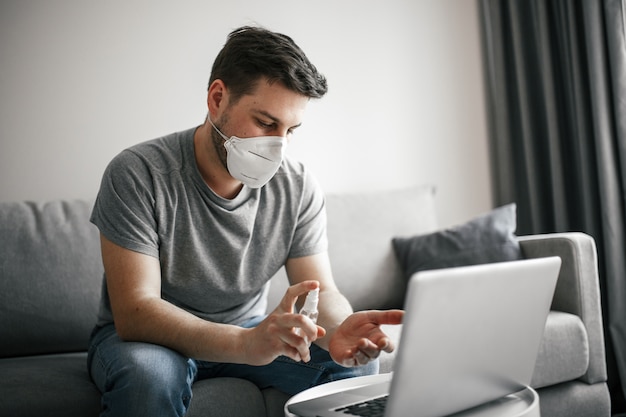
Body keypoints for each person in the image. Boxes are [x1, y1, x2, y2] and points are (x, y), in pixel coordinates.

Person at [87, 25, 404, 416]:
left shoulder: (297, 184)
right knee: (147, 379)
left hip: (248, 329)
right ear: (218, 98)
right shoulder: (138, 173)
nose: (279, 147)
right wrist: (245, 343)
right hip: (154, 342)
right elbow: (136, 311)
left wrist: (340, 331)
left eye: (291, 130)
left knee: (352, 363)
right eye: (266, 124)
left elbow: (318, 289)